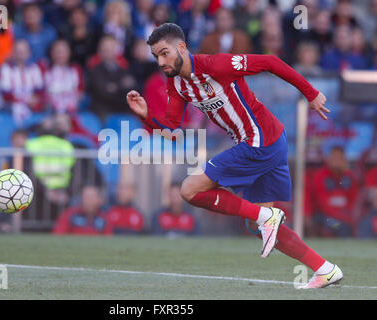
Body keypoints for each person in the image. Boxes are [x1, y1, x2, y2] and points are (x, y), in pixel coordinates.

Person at [126, 23, 342, 289]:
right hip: (269, 141)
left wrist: (311, 93)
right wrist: (146, 117)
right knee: (260, 224)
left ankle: (268, 219)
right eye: (156, 56)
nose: (161, 61)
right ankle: (325, 269)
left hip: (259, 140)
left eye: (165, 53)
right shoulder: (177, 84)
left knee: (189, 190)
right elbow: (171, 132)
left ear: (181, 47)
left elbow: (270, 62)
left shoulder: (216, 65)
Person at [311, 146, 358, 237]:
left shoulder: (350, 176)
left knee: (349, 227)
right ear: (329, 159)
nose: (336, 161)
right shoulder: (320, 176)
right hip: (324, 216)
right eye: (334, 157)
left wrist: (349, 217)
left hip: (345, 216)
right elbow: (323, 204)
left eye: (339, 158)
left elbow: (353, 200)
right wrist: (344, 218)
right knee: (338, 226)